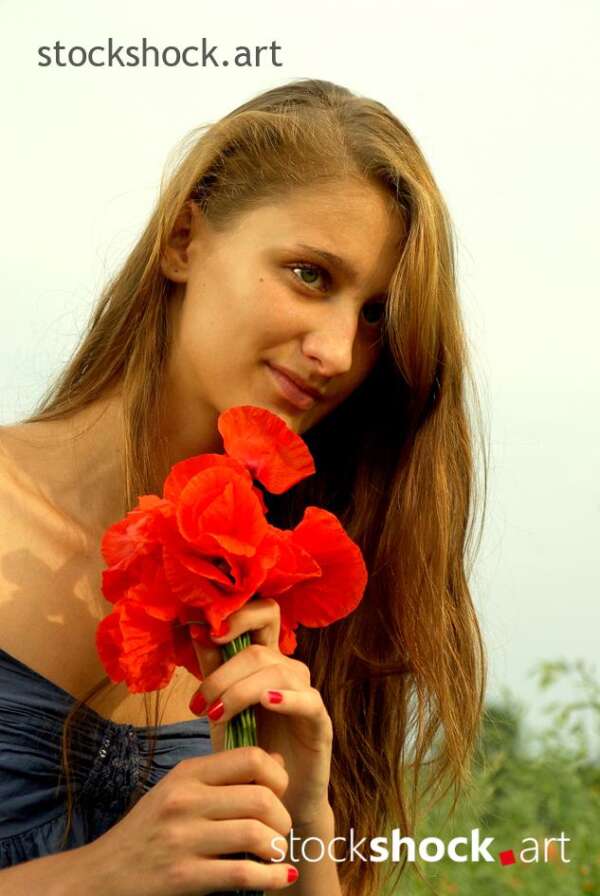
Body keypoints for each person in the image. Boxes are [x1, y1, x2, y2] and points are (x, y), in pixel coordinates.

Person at [0, 78, 486, 896]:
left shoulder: (312, 599)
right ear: (185, 237)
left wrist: (306, 829)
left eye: (375, 318)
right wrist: (97, 877)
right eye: (308, 274)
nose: (337, 351)